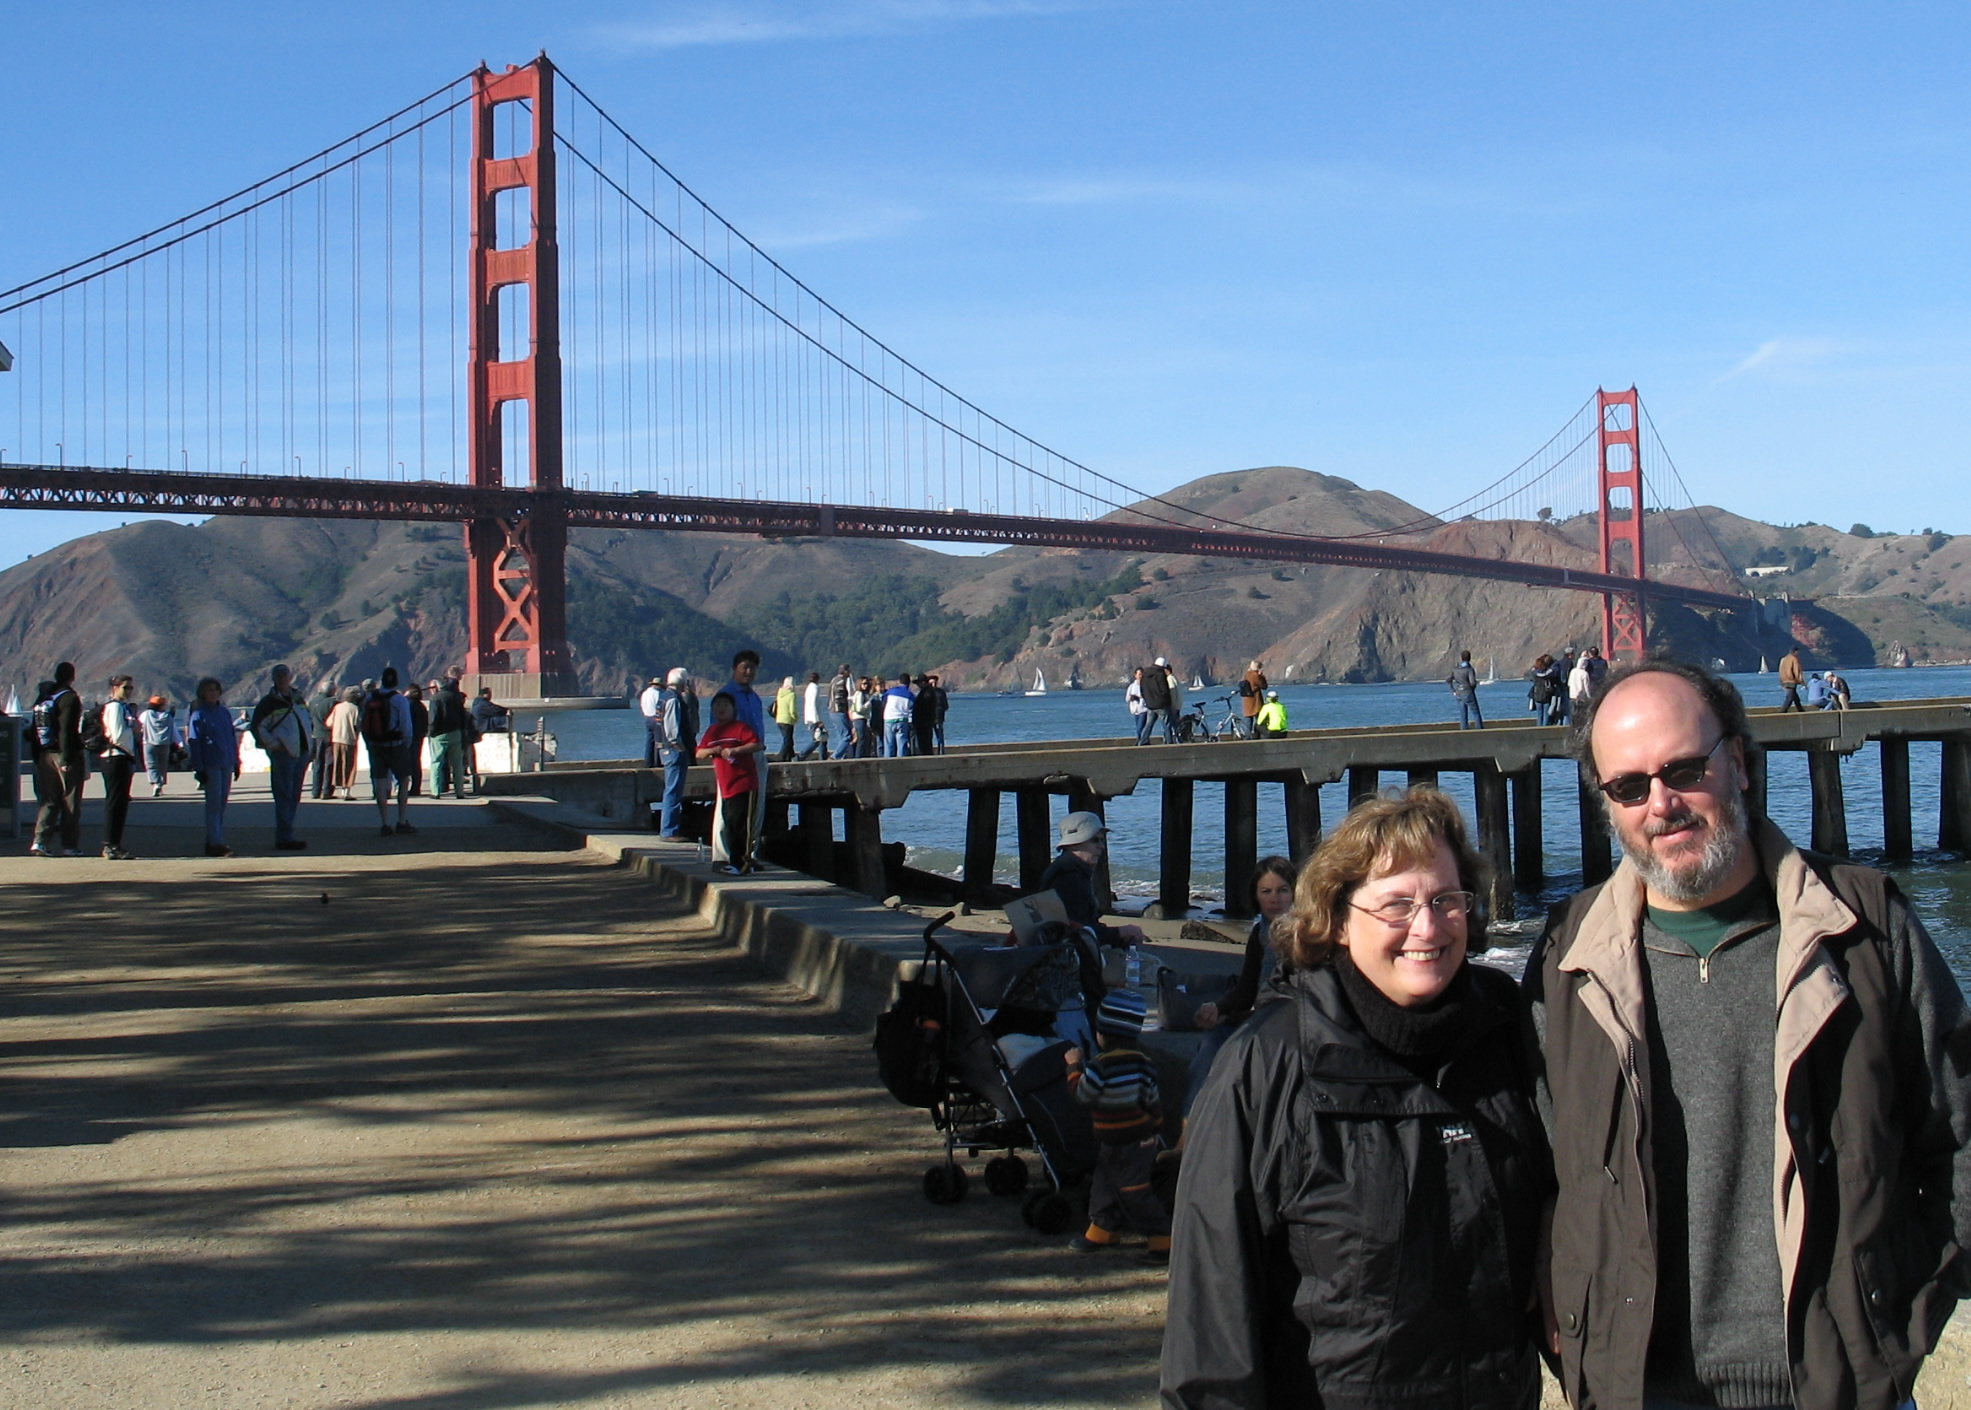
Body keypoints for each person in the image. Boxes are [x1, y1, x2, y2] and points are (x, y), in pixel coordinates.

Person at [1527, 659, 1971, 1410]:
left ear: (1737, 760)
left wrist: (1897, 1322)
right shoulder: (1564, 961)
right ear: (1605, 804)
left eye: (1683, 769)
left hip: (1835, 1390)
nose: (1660, 804)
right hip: (1635, 1391)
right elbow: (1532, 1179)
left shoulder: (1863, 931)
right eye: (1628, 787)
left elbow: (1958, 1142)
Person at [1163, 787, 1550, 1409]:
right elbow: (1211, 1313)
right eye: (1396, 905)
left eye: (1445, 901)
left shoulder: (1505, 1031)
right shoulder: (1268, 1065)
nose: (1426, 927)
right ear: (1339, 919)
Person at [1183, 855, 1295, 1123]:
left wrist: (1237, 1017)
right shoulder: (1260, 933)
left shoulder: (1305, 934)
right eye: (1266, 892)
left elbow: (1290, 998)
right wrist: (1218, 1008)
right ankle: (1188, 1127)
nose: (1274, 899)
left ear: (1295, 893)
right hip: (1258, 1018)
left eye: (1282, 890)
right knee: (1210, 1042)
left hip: (1288, 1024)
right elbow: (1246, 989)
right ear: (1255, 896)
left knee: (1228, 1045)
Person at [1064, 989, 1170, 1265]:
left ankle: (1162, 1238)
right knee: (1105, 1184)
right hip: (1139, 1137)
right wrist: (1156, 1129)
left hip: (1120, 1139)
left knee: (1133, 1190)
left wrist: (1073, 1067)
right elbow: (1152, 1100)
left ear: (1103, 1033)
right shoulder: (1144, 1063)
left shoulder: (1100, 1065)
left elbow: (1082, 1095)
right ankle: (1102, 1229)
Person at [1037, 812, 1148, 947]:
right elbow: (1078, 933)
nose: (1101, 846)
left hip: (1060, 951)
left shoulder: (1066, 868)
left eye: (1102, 840)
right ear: (1073, 845)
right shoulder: (1069, 877)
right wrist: (1119, 932)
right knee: (1150, 964)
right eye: (1094, 840)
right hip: (1067, 957)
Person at [697, 691, 764, 875]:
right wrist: (712, 750)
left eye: (725, 705)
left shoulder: (741, 728)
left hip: (745, 783)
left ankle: (742, 864)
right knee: (730, 825)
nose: (721, 709)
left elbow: (757, 745)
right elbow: (698, 753)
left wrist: (735, 750)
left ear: (733, 709)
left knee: (743, 825)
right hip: (726, 787)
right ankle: (735, 862)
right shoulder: (712, 731)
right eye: (718, 705)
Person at [715, 650, 770, 866]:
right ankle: (722, 856)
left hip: (756, 755)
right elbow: (717, 730)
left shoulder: (754, 697)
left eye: (752, 668)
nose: (748, 672)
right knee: (727, 807)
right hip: (733, 759)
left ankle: (749, 854)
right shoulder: (726, 696)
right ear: (734, 669)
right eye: (744, 667)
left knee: (755, 809)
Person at [250, 664, 312, 851]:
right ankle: (284, 836)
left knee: (294, 796)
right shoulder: (268, 703)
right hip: (283, 755)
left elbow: (306, 722)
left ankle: (289, 832)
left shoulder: (298, 698)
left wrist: (311, 746)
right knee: (284, 795)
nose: (283, 678)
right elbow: (257, 728)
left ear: (290, 676)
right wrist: (275, 744)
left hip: (301, 753)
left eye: (285, 674)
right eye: (279, 675)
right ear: (274, 679)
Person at [29, 662, 84, 857]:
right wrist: (68, 758)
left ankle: (40, 841)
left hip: (45, 754)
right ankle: (69, 845)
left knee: (49, 800)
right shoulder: (69, 698)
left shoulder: (45, 697)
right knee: (70, 800)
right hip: (64, 754)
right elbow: (67, 730)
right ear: (72, 676)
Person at [186, 676, 242, 859]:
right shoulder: (199, 715)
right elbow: (195, 743)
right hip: (210, 764)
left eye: (216, 690)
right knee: (213, 805)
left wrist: (236, 761)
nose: (213, 693)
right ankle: (215, 842)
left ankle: (215, 838)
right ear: (202, 693)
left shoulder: (224, 713)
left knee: (222, 804)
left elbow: (231, 737)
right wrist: (199, 768)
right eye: (209, 690)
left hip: (226, 762)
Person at [361, 667, 416, 837]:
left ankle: (385, 823)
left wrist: (370, 743)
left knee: (380, 783)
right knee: (404, 781)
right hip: (396, 744)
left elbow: (363, 723)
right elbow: (406, 726)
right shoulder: (399, 699)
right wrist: (405, 745)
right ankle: (401, 820)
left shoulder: (370, 697)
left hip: (377, 745)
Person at [95, 675, 142, 860]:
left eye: (131, 688)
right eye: (125, 688)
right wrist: (133, 730)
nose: (128, 691)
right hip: (114, 757)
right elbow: (117, 735)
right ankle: (110, 844)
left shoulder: (124, 708)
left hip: (124, 757)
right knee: (115, 801)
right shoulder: (114, 707)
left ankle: (115, 842)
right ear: (114, 688)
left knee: (121, 802)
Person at [654, 667, 698, 839]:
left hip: (664, 749)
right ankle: (669, 831)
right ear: (683, 682)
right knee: (673, 790)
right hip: (673, 751)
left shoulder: (663, 697)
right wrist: (680, 747)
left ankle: (668, 829)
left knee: (671, 789)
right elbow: (672, 729)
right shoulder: (673, 699)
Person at [426, 675, 470, 799]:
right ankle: (459, 791)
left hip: (439, 734)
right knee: (457, 764)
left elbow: (433, 719)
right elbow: (463, 716)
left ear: (438, 686)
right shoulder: (456, 697)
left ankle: (435, 791)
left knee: (436, 762)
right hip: (455, 733)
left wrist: (431, 732)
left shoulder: (436, 698)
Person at [139, 694, 181, 797]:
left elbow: (139, 724)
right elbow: (174, 730)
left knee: (151, 764)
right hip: (164, 743)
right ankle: (160, 783)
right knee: (162, 765)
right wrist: (180, 743)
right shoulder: (168, 716)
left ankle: (155, 783)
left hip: (149, 742)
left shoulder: (145, 714)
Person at [326, 688, 362, 798]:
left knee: (338, 764)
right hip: (349, 740)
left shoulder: (337, 707)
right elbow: (358, 725)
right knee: (349, 765)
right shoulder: (355, 709)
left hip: (336, 739)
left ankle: (341, 788)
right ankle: (347, 790)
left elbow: (329, 723)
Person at [308, 683, 338, 799]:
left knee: (318, 763)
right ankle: (327, 790)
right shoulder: (332, 702)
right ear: (331, 690)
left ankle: (315, 791)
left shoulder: (312, 702)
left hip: (316, 735)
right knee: (329, 763)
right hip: (329, 735)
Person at [404, 684, 430, 797]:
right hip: (419, 737)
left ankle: (405, 787)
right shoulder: (421, 706)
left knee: (407, 762)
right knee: (416, 762)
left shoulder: (408, 705)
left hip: (409, 737)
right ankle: (416, 787)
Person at [1448, 648, 1484, 729]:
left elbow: (1448, 680)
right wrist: (1472, 689)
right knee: (1475, 713)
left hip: (1458, 694)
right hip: (1468, 692)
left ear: (1461, 658)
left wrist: (1453, 690)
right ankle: (1480, 731)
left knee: (1463, 715)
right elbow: (1472, 683)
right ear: (1469, 658)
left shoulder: (1456, 669)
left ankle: (1463, 732)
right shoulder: (1469, 669)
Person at [1141, 657, 1174, 744]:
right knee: (1167, 724)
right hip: (1161, 704)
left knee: (1148, 725)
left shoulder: (1145, 674)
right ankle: (1169, 742)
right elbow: (1165, 690)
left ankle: (1142, 741)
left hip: (1150, 705)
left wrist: (1147, 700)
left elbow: (1142, 690)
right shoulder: (1160, 674)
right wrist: (1168, 702)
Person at [883, 676, 916, 758]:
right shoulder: (910, 695)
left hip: (889, 719)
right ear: (909, 683)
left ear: (899, 682)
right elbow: (911, 709)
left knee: (889, 744)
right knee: (902, 744)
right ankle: (901, 763)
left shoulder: (891, 691)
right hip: (902, 719)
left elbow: (883, 699)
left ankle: (887, 762)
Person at [798, 672, 828, 760]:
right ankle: (800, 757)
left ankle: (822, 758)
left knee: (822, 739)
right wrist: (818, 721)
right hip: (814, 718)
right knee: (818, 740)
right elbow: (813, 704)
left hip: (810, 717)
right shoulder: (815, 688)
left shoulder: (808, 688)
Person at [1527, 653, 1563, 725]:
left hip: (1537, 694)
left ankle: (1539, 727)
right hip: (1546, 695)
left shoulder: (1534, 673)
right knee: (1546, 714)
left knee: (1539, 714)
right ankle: (1545, 727)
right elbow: (1548, 673)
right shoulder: (1546, 673)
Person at [638, 674, 665, 768]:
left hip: (647, 718)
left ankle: (648, 762)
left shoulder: (645, 693)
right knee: (658, 741)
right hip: (656, 718)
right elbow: (661, 707)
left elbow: (642, 706)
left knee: (649, 741)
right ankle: (657, 762)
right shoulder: (658, 694)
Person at [827, 665, 853, 760]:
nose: (850, 673)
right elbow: (839, 697)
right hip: (839, 711)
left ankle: (842, 755)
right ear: (845, 672)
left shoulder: (833, 680)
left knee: (840, 735)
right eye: (849, 671)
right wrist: (845, 709)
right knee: (847, 736)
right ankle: (835, 756)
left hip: (831, 711)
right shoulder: (841, 681)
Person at [1237, 660, 1268, 740]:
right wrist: (1261, 676)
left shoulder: (1246, 675)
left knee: (1247, 721)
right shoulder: (1255, 676)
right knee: (1259, 721)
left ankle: (1247, 738)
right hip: (1255, 701)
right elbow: (1264, 686)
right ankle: (1256, 737)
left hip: (1246, 701)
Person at [772, 676, 799, 761]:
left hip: (779, 720)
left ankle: (790, 756)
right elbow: (792, 710)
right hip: (788, 720)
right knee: (787, 741)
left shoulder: (780, 694)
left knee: (788, 739)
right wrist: (796, 718)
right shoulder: (792, 695)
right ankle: (782, 757)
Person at [912, 674, 939, 757]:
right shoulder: (928, 692)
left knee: (924, 743)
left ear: (923, 682)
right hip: (926, 722)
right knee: (926, 742)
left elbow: (924, 708)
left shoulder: (926, 693)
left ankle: (926, 757)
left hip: (923, 723)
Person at [924, 673, 949, 754]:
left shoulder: (941, 692)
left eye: (934, 683)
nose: (933, 684)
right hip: (929, 718)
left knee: (940, 737)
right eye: (931, 683)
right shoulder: (926, 693)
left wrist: (940, 711)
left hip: (938, 718)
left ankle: (941, 752)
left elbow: (945, 705)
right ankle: (929, 752)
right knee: (928, 737)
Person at [1553, 649, 1578, 726]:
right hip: (1565, 687)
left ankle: (1559, 723)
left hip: (1559, 687)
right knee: (1567, 708)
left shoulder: (1560, 662)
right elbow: (1568, 675)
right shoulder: (1569, 663)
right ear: (1570, 654)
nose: (1574, 655)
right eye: (1573, 653)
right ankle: (1566, 724)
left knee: (1560, 707)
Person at [1126, 668, 1150, 745]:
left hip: (1144, 709)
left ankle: (1141, 741)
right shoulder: (1132, 686)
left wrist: (1139, 697)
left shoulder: (1146, 685)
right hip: (1135, 710)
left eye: (1141, 675)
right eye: (1138, 674)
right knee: (1138, 728)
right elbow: (1127, 698)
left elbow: (1148, 697)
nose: (1140, 676)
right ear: (1135, 675)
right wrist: (1132, 698)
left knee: (1140, 727)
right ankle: (1144, 741)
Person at [1567, 649, 1594, 715]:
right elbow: (1586, 686)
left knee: (1573, 713)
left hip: (1572, 695)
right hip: (1581, 697)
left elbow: (1569, 683)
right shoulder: (1584, 673)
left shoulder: (1573, 671)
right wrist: (1589, 696)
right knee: (1581, 713)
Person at [1778, 645, 1806, 711]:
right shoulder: (1794, 659)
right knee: (1790, 698)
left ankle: (1801, 710)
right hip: (1791, 680)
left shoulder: (1783, 659)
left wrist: (1781, 681)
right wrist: (1801, 681)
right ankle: (1782, 711)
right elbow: (1796, 671)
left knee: (1795, 697)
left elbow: (1780, 670)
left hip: (1784, 680)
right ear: (1795, 652)